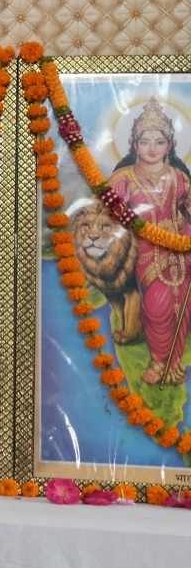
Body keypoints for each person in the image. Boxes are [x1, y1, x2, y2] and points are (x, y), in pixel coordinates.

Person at [107, 99, 191, 385]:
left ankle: (173, 364)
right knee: (157, 306)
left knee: (181, 305)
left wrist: (187, 231)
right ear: (134, 144)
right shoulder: (123, 178)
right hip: (145, 251)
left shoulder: (179, 177)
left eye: (159, 142)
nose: (152, 148)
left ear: (170, 145)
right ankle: (158, 361)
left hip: (180, 251)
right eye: (145, 142)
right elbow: (107, 214)